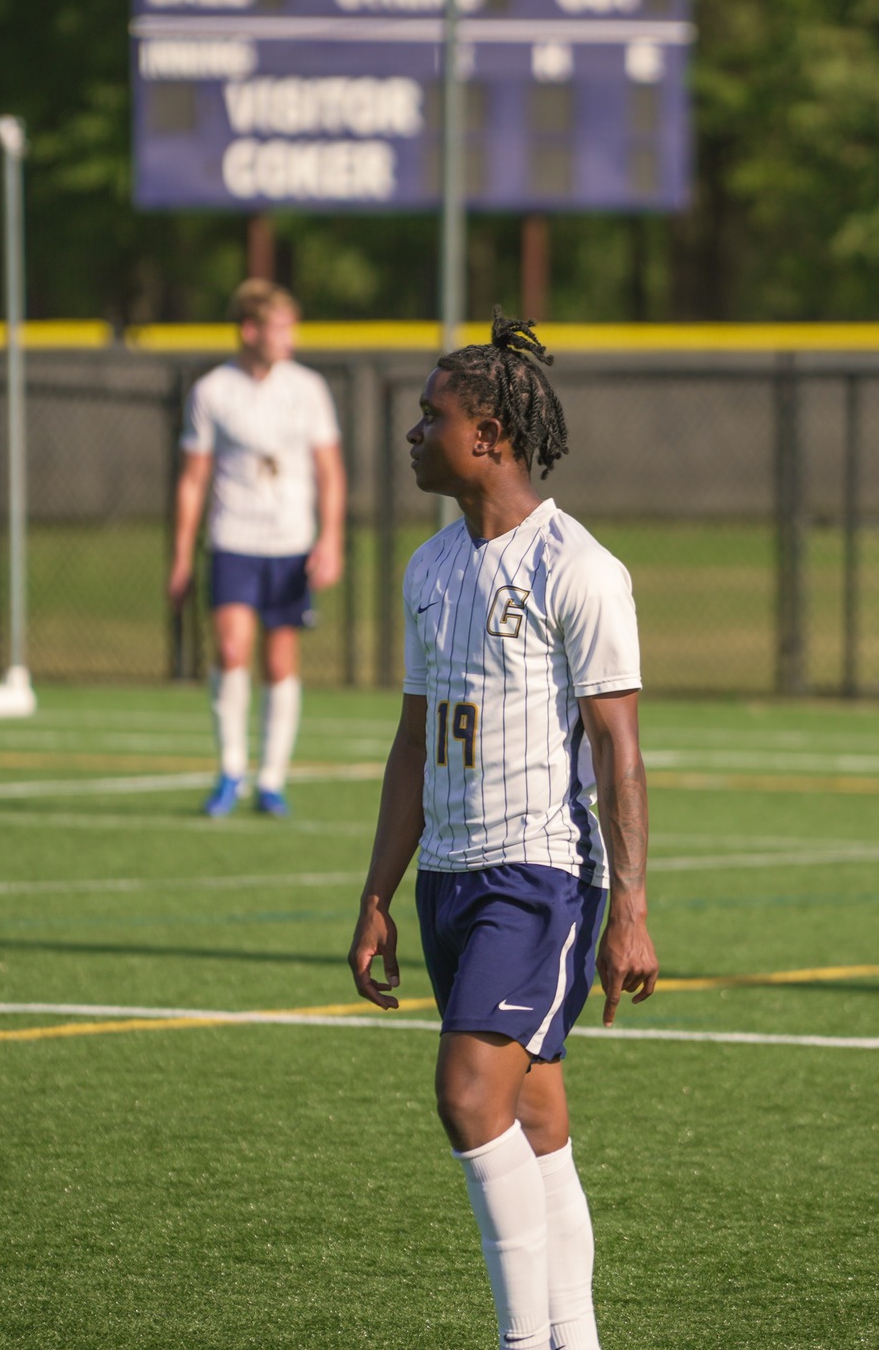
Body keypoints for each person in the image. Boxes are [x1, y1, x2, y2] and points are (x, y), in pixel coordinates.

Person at [348, 315, 660, 1350]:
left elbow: (618, 750)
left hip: (537, 876)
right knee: (531, 1121)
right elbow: (411, 742)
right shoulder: (431, 569)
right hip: (448, 876)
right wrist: (377, 895)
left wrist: (630, 911)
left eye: (429, 418)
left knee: (466, 1094)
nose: (412, 432)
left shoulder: (577, 567)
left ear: (487, 435)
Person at [168, 279, 345, 817]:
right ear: (249, 331)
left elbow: (330, 471)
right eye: (279, 328)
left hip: (290, 542)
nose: (289, 338)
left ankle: (272, 779)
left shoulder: (308, 388)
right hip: (233, 540)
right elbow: (193, 479)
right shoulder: (212, 391)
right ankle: (230, 771)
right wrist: (181, 555)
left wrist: (330, 538)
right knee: (229, 649)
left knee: (280, 658)